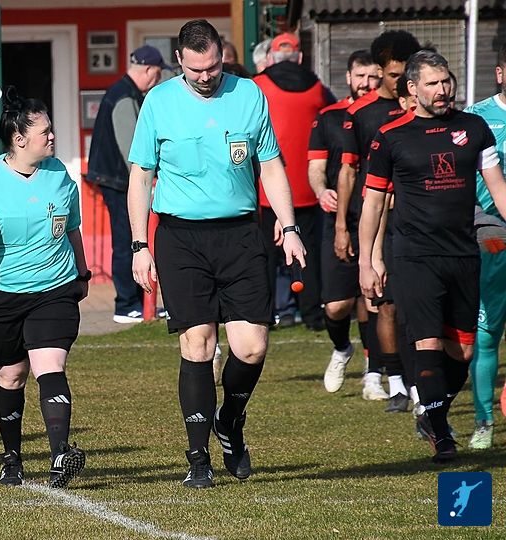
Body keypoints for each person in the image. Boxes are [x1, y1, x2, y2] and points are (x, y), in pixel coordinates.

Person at [128, 20, 305, 488]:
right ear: (179, 61)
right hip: (180, 238)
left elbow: (270, 165)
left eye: (213, 67)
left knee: (252, 346)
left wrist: (289, 226)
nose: (206, 76)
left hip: (241, 234)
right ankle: (198, 458)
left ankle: (229, 420)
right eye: (196, 69)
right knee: (198, 344)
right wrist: (140, 245)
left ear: (222, 57)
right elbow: (140, 177)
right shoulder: (159, 102)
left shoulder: (249, 94)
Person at [359, 50, 506, 463]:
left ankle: (430, 411)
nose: (442, 90)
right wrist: (368, 261)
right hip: (415, 255)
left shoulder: (473, 128)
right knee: (426, 340)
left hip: (463, 252)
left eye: (446, 82)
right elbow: (373, 204)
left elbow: (497, 187)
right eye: (433, 84)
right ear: (412, 88)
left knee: (462, 352)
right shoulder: (391, 136)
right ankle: (441, 433)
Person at [0, 89, 90, 489]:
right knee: (11, 375)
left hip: (54, 288)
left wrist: (81, 273)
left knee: (50, 366)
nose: (52, 136)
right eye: (45, 131)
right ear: (19, 139)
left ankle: (60, 456)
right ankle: (12, 457)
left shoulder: (60, 175)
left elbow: (72, 228)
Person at [337, 30, 420, 406]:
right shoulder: (361, 113)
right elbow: (349, 170)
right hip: (377, 218)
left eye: (406, 74)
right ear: (381, 70)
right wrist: (342, 225)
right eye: (393, 74)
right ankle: (396, 382)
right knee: (383, 302)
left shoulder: (423, 111)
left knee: (416, 304)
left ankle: (421, 382)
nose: (400, 82)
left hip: (418, 220)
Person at [309, 50, 380, 392]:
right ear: (349, 77)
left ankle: (374, 372)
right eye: (360, 76)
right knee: (337, 306)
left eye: (372, 76)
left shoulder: (390, 115)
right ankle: (341, 348)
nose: (366, 83)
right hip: (339, 220)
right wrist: (321, 190)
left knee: (372, 299)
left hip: (378, 218)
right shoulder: (329, 117)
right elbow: (316, 168)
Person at [254, 32, 335, 331]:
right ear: (300, 57)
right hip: (306, 184)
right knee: (306, 251)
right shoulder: (318, 89)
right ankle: (312, 314)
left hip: (267, 184)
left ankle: (263, 315)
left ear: (271, 58)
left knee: (264, 254)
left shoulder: (258, 85)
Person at [87, 45, 167, 324]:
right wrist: (147, 179)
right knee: (127, 242)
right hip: (120, 183)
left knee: (130, 241)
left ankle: (136, 302)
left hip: (118, 180)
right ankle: (126, 304)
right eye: (158, 73)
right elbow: (131, 150)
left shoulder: (123, 91)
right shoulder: (124, 96)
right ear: (149, 70)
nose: (158, 79)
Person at [463, 42, 506, 450]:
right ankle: (483, 420)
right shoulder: (475, 119)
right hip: (492, 239)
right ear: (500, 73)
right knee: (487, 334)